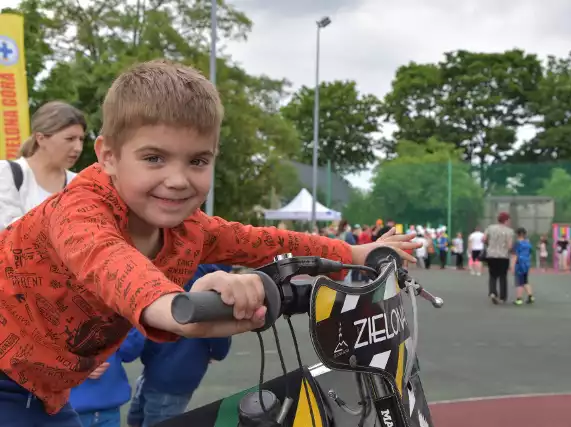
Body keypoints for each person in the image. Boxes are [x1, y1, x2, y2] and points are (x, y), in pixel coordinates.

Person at [0, 59, 420, 426]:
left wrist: (355, 254)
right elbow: (108, 261)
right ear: (108, 156)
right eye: (154, 158)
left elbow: (261, 240)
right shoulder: (79, 209)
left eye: (198, 160)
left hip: (42, 394)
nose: (178, 179)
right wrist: (178, 302)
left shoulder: (189, 230)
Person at [127, 265, 233, 427]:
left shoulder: (178, 271)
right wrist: (218, 352)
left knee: (147, 415)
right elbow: (219, 333)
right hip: (171, 369)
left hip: (165, 367)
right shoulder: (213, 283)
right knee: (145, 414)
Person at [0, 101, 86, 229]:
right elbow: (9, 229)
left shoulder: (79, 183)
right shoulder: (7, 173)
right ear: (40, 138)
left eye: (81, 139)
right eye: (70, 139)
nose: (78, 148)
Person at [70, 329, 145, 427]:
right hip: (67, 410)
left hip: (108, 406)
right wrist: (74, 365)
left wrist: (133, 322)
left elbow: (129, 352)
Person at [484, 212, 514, 304]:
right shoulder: (509, 231)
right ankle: (502, 296)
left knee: (492, 275)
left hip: (491, 254)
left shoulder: (490, 228)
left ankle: (493, 292)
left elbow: (484, 239)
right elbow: (509, 245)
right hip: (503, 256)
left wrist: (489, 245)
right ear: (506, 220)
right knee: (503, 276)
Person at [511, 227, 535, 306]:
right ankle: (530, 296)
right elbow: (530, 253)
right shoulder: (528, 243)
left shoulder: (517, 243)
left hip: (519, 264)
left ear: (518, 234)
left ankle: (519, 299)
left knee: (519, 282)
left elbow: (515, 255)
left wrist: (512, 266)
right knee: (525, 281)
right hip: (526, 263)